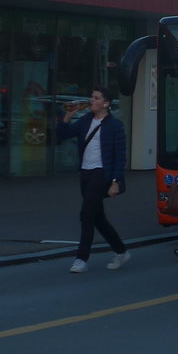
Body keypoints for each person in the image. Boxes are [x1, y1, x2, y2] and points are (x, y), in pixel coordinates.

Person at [57, 88, 130, 273]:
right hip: (86, 173)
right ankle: (121, 251)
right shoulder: (85, 120)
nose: (91, 100)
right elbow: (64, 134)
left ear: (106, 104)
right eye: (91, 97)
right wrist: (68, 115)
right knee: (98, 218)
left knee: (86, 214)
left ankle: (81, 259)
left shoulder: (115, 125)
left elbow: (120, 156)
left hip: (101, 174)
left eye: (96, 98)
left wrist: (115, 181)